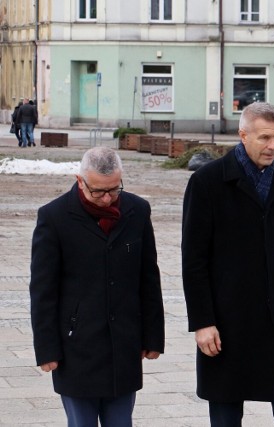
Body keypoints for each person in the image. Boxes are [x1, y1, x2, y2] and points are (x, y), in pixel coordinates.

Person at [181, 102, 274, 427]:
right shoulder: (207, 182)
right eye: (264, 138)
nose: (273, 146)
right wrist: (202, 322)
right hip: (228, 323)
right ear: (242, 134)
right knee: (226, 416)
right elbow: (193, 261)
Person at [30, 146, 165, 427]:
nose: (107, 199)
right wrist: (47, 349)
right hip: (76, 347)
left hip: (124, 344)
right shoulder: (54, 217)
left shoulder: (137, 210)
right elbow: (43, 290)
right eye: (98, 191)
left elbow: (148, 277)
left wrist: (153, 337)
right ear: (80, 181)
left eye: (114, 190)